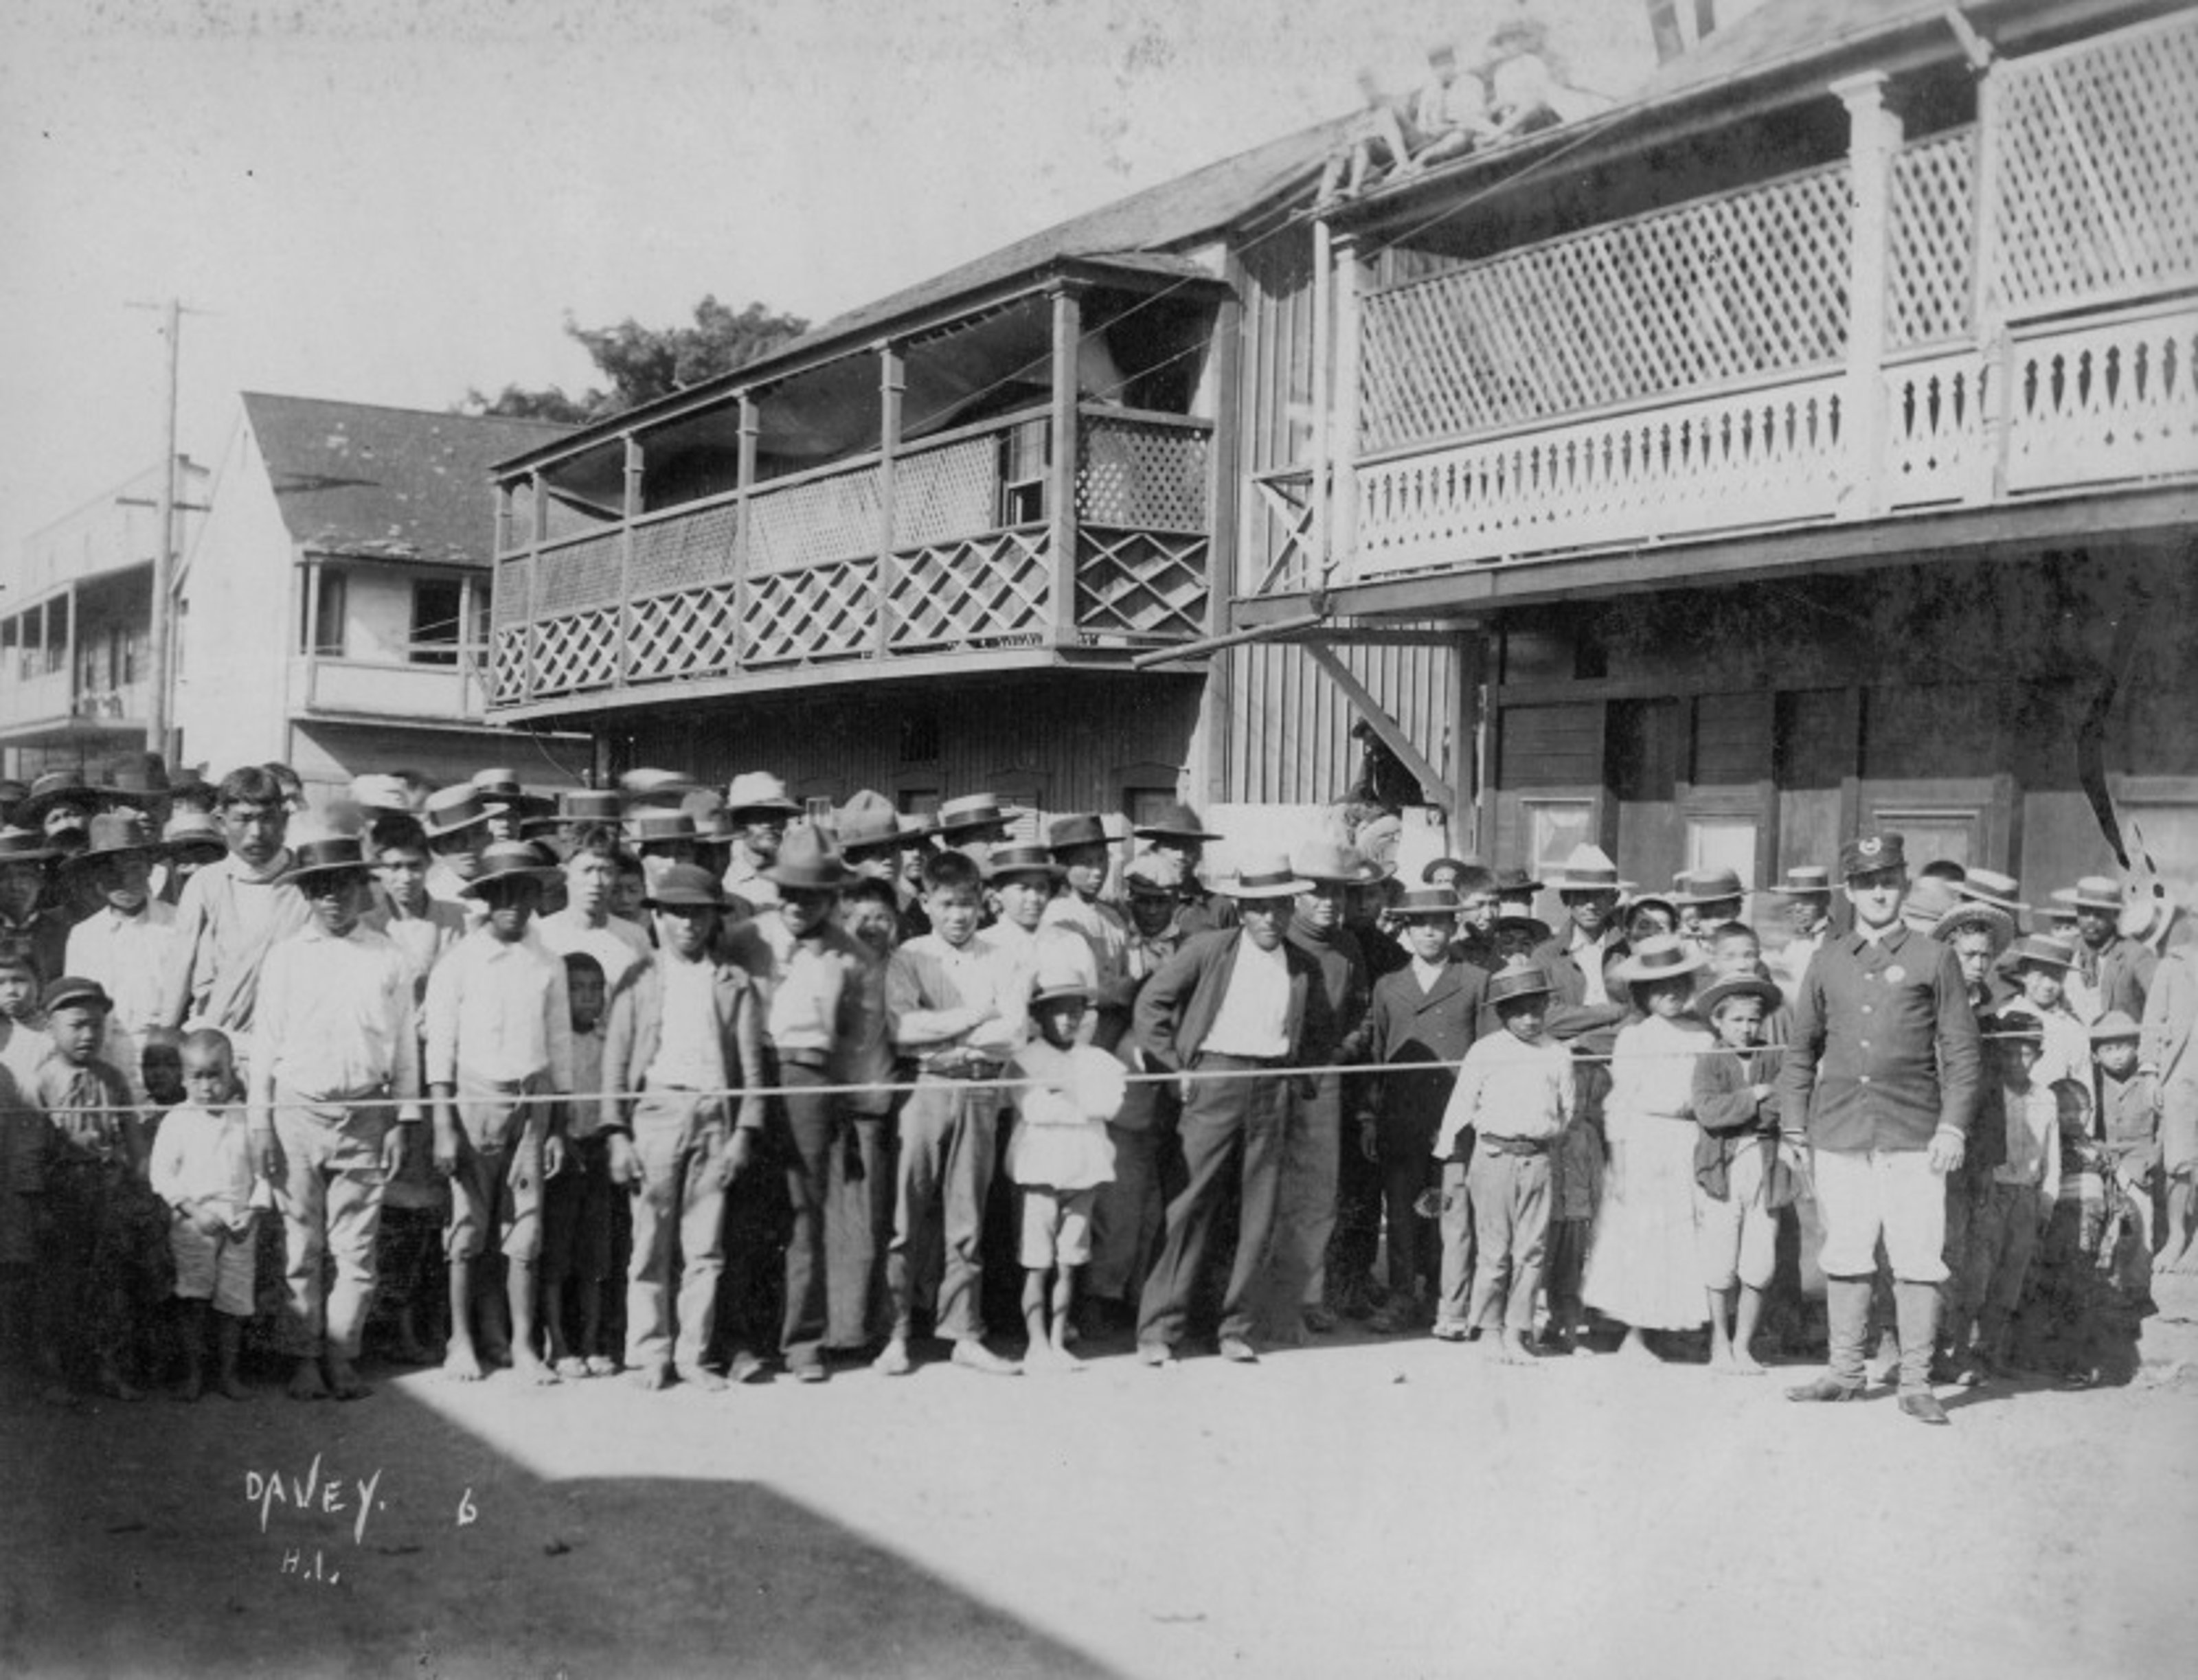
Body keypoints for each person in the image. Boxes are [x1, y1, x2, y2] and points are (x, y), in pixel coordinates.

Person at [1780, 832, 1982, 1426]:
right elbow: (1801, 1052)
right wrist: (1794, 1127)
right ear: (1849, 891)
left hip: (1915, 1132)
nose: (1878, 893)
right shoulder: (1827, 960)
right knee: (1844, 1249)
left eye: (1888, 881)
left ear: (1903, 886)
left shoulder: (1933, 957)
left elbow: (1963, 1055)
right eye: (1866, 883)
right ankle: (1846, 1372)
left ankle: (1916, 1382)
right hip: (1840, 1129)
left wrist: (1953, 1127)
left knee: (1918, 1254)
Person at [1133, 852, 1330, 1367]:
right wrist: (1175, 1068)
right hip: (1212, 1082)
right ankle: (1159, 1330)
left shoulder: (1303, 965)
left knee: (1258, 1214)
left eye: (1281, 908)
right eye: (1260, 909)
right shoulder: (1208, 950)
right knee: (1187, 1206)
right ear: (1242, 910)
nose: (1271, 919)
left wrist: (1299, 1078)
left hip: (1271, 1088)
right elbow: (1151, 1004)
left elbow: (1321, 1032)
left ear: (1292, 909)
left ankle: (1236, 1328)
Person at [249, 831, 422, 1401]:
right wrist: (259, 1124)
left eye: (343, 886)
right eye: (320, 888)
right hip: (297, 1110)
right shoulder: (287, 957)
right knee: (302, 1245)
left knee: (356, 1247)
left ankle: (342, 1354)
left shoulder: (389, 954)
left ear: (361, 889)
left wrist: (402, 1117)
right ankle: (303, 1356)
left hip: (367, 1113)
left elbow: (403, 1046)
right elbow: (266, 1046)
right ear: (306, 894)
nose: (333, 899)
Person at [723, 825, 890, 1383]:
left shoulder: (853, 956)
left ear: (834, 898)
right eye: (789, 892)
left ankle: (802, 1341)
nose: (798, 905)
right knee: (745, 1209)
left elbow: (857, 1038)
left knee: (803, 1210)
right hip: (748, 1074)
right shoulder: (745, 937)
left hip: (811, 1081)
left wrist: (837, 1099)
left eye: (813, 894)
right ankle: (740, 1340)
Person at [601, 863, 767, 1390]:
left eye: (698, 914)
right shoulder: (640, 976)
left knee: (704, 1247)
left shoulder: (733, 982)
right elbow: (616, 1055)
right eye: (677, 913)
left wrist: (745, 1131)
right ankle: (649, 1352)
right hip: (655, 1114)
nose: (688, 924)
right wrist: (616, 1132)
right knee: (650, 1242)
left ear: (714, 920)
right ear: (660, 918)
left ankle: (694, 1354)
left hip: (714, 1117)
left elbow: (753, 1067)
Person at [424, 841, 574, 1385]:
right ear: (485, 898)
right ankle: (461, 1340)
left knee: (525, 1234)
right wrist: (444, 1126)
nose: (512, 902)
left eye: (523, 890)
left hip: (531, 1106)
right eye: (500, 892)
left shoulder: (548, 963)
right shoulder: (459, 963)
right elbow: (439, 1050)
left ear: (538, 894)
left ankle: (522, 1344)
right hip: (472, 1104)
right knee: (467, 1231)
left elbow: (560, 1049)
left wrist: (556, 1127)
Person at [876, 849, 1028, 1377]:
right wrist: (973, 1018)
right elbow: (901, 1030)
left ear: (982, 904)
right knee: (905, 1213)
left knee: (968, 1217)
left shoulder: (1004, 957)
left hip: (981, 1089)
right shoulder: (909, 956)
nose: (959, 915)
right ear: (926, 903)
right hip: (925, 1089)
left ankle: (964, 1332)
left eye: (967, 904)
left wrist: (949, 1037)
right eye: (947, 904)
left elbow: (1010, 1032)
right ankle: (895, 1333)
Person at [1358, 887, 1486, 1337]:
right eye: (1420, 923)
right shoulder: (1389, 984)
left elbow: (1488, 1053)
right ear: (1406, 930)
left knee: (1447, 1208)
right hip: (1401, 1117)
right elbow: (1376, 1055)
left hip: (1454, 1118)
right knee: (1402, 1208)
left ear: (1454, 927)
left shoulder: (1474, 980)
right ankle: (1400, 1295)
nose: (1430, 931)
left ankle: (1442, 1295)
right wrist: (1369, 1116)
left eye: (1439, 922)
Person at [1433, 957, 1572, 1364]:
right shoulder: (1486, 1051)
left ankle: (1518, 1330)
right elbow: (1462, 1103)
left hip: (1538, 1160)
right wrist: (1448, 1151)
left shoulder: (1557, 1053)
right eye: (1520, 1012)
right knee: (1495, 1251)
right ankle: (1489, 1328)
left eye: (1537, 1009)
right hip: (1493, 1157)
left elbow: (1566, 1110)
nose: (1530, 1019)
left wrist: (1541, 1139)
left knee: (1531, 1251)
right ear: (1503, 1014)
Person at [1583, 936, 1713, 1357]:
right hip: (1645, 1142)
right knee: (1645, 1235)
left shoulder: (1703, 1036)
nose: (1671, 994)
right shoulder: (1636, 1038)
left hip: (1689, 1139)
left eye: (1678, 983)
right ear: (1642, 994)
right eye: (1659, 988)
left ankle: (1676, 1326)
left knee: (1685, 1235)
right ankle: (1637, 1334)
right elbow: (1618, 1107)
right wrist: (1620, 1168)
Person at [1264, 840, 1370, 1342]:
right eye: (1319, 892)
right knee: (1263, 1183)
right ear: (1298, 896)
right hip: (1268, 1074)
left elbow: (1362, 1014)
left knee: (1318, 1191)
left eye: (1339, 893)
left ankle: (1307, 1294)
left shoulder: (1349, 947)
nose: (1329, 903)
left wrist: (1340, 1054)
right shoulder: (1274, 939)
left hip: (1324, 1080)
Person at [1007, 961, 1123, 1370]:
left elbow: (1108, 1105)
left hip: (1084, 1169)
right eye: (1058, 1009)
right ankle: (1035, 1342)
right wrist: (1080, 1103)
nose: (1069, 1019)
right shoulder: (1024, 1059)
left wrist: (1069, 1098)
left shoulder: (1097, 1060)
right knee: (1037, 1263)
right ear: (1039, 1015)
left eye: (1076, 1009)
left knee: (1068, 1263)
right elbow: (1035, 1108)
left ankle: (1058, 1341)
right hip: (1041, 1170)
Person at [157, 766, 312, 1049]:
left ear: (284, 820)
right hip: (215, 1050)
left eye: (267, 819)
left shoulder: (308, 883)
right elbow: (180, 968)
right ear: (221, 821)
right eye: (243, 819)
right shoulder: (206, 885)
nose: (256, 833)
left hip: (290, 1047)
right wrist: (166, 1034)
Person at [147, 1028, 257, 1401]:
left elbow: (266, 1173)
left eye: (216, 1075)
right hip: (194, 1224)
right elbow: (161, 1175)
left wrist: (253, 1211)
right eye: (197, 1077)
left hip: (240, 1224)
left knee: (233, 1303)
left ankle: (228, 1375)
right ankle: (193, 1374)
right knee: (193, 1298)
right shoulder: (178, 1120)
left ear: (232, 1071)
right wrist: (192, 1211)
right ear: (183, 1077)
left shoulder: (247, 1118)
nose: (207, 1087)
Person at [1690, 971, 1791, 1374]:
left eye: (1753, 1020)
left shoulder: (1774, 1056)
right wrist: (1754, 1095)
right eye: (1737, 1020)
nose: (1747, 1029)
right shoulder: (1710, 1060)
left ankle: (1743, 1344)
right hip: (1722, 1167)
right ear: (1718, 1022)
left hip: (1766, 1165)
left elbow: (1783, 1104)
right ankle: (1719, 1342)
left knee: (1760, 1259)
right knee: (1720, 1258)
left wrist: (1760, 1103)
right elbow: (1709, 1113)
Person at [1958, 1012, 2061, 1379]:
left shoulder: (2046, 1098)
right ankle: (1962, 1350)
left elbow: (2053, 1156)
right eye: (2011, 1052)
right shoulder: (1991, 1093)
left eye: (2027, 1054)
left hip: (2026, 1196)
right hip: (1993, 1190)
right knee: (1979, 1271)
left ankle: (1991, 1351)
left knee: (2011, 1276)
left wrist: (2046, 1200)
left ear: (2039, 1055)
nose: (2018, 1061)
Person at [59, 813, 177, 1103]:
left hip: (166, 1059)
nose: (124, 882)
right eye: (111, 873)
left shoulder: (177, 924)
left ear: (150, 869)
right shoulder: (84, 936)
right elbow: (78, 1009)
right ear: (97, 879)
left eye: (133, 869)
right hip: (106, 1058)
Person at [537, 952, 617, 1378]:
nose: (587, 998)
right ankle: (559, 1344)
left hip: (598, 1152)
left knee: (595, 1257)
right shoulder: (552, 1044)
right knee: (557, 1256)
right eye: (576, 989)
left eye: (595, 989)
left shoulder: (608, 1042)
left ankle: (591, 1342)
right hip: (562, 1156)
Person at [1039, 815, 1133, 1050]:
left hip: (1116, 1032)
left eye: (1102, 859)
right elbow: (1061, 988)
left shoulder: (1113, 918)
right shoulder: (1056, 915)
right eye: (1086, 862)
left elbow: (1127, 970)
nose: (1098, 871)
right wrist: (1119, 993)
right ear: (1064, 867)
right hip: (1075, 1032)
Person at [2089, 1011, 2160, 1257]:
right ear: (2095, 1056)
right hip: (2105, 1163)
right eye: (2108, 1049)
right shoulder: (2093, 1083)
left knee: (2140, 1225)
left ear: (2137, 1048)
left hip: (2140, 1166)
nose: (2118, 1056)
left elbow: (2160, 1129)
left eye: (2124, 1047)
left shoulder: (2148, 1083)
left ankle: (2137, 1285)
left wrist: (2151, 1159)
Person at [2052, 875, 2156, 1025]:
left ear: (2116, 915)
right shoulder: (2064, 950)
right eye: (2084, 912)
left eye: (2099, 914)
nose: (2091, 920)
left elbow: (2162, 1002)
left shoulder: (2136, 955)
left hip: (2118, 1045)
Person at [1131, 802, 1234, 935]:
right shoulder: (1135, 905)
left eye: (1188, 847)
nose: (1181, 856)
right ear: (1155, 852)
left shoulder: (1220, 909)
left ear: (1199, 854)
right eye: (1173, 847)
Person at [2002, 935, 2089, 1089]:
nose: (2048, 985)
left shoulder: (2072, 1030)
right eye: (2041, 975)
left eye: (2056, 977)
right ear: (2024, 974)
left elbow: (2083, 1084)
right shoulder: (2003, 1018)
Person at [721, 771, 802, 918]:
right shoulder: (728, 880)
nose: (769, 825)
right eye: (759, 817)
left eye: (776, 816)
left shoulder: (799, 874)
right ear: (740, 823)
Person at [0, 826, 71, 990]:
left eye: (24, 875)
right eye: (4, 877)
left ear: (41, 880)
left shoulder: (63, 932)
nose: (16, 885)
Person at [418, 786, 492, 916]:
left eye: (477, 833)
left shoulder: (510, 887)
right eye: (455, 838)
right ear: (437, 846)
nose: (469, 845)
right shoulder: (431, 898)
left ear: (490, 838)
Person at [1767, 864, 1836, 992]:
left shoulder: (1840, 943)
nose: (1798, 908)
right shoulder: (1781, 941)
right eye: (1793, 900)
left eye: (1806, 899)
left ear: (1826, 899)